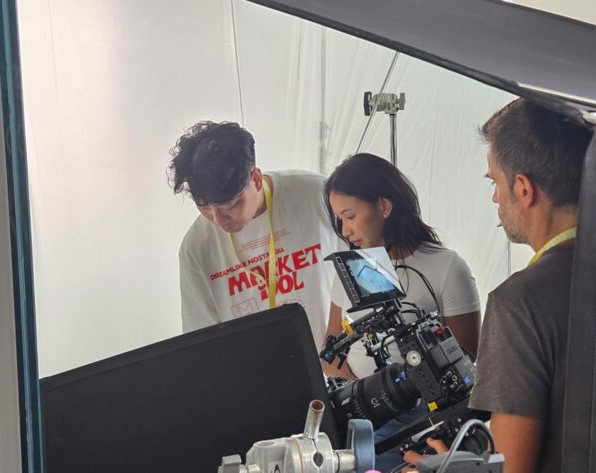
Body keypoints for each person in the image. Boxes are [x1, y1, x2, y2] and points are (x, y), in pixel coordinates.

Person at [404, 98, 592, 473]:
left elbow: (510, 468)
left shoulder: (518, 303)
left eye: (494, 181)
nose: (494, 197)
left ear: (524, 188)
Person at [322, 153, 482, 471]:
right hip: (363, 417)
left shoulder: (446, 267)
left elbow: (465, 361)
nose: (345, 230)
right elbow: (329, 357)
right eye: (339, 219)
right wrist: (370, 385)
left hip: (424, 427)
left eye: (350, 215)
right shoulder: (351, 271)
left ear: (384, 206)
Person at [169, 121, 344, 348]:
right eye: (204, 207)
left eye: (230, 205)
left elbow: (363, 267)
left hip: (335, 364)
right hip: (257, 374)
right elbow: (201, 339)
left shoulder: (316, 195)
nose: (218, 219)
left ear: (256, 179)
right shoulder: (197, 247)